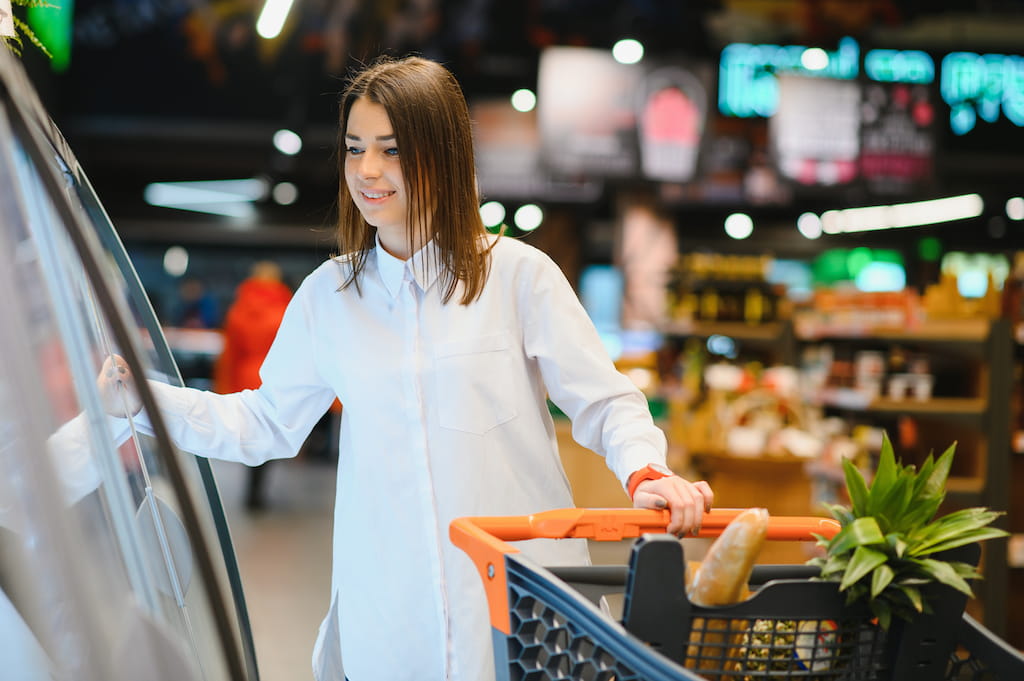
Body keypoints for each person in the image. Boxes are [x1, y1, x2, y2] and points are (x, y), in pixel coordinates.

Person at [99, 55, 713, 681]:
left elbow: (604, 400)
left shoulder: (517, 277)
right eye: (354, 148)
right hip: (388, 614)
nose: (367, 171)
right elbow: (263, 422)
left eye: (391, 150)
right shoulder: (329, 297)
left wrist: (646, 470)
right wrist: (142, 401)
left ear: (441, 155)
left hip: (522, 605)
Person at [213, 260, 293, 509]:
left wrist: (225, 387)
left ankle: (252, 489)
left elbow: (229, 355)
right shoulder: (286, 308)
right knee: (270, 436)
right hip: (275, 380)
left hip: (245, 377)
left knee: (250, 433)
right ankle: (258, 491)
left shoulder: (238, 310)